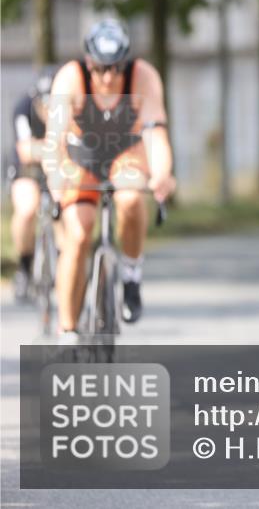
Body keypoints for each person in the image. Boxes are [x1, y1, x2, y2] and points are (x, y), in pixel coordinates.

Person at [44, 19, 175, 342]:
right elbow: (54, 139)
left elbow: (156, 133)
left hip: (124, 153)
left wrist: (161, 174)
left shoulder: (143, 76)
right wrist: (55, 175)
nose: (108, 77)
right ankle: (68, 327)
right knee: (78, 231)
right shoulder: (70, 77)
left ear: (125, 63)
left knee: (130, 199)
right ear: (88, 63)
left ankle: (131, 273)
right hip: (81, 155)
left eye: (115, 69)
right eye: (100, 69)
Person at [7, 67, 57, 303]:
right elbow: (26, 151)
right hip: (27, 169)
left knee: (68, 215)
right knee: (27, 209)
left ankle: (65, 261)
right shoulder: (23, 108)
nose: (48, 111)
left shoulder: (73, 110)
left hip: (57, 167)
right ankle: (24, 267)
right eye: (44, 104)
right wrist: (53, 148)